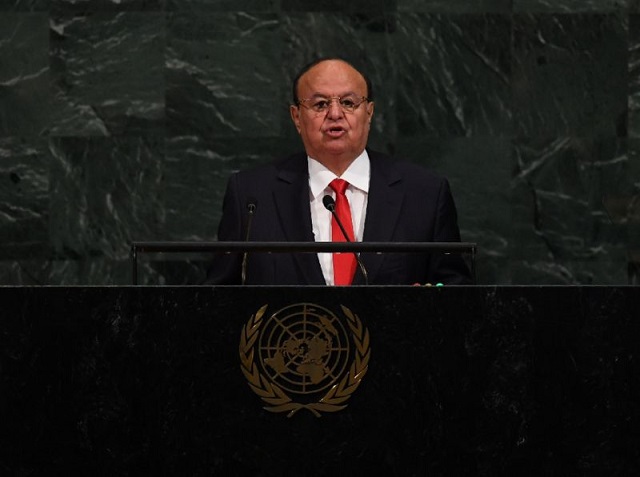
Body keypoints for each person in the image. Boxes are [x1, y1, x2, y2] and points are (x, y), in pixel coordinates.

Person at [206, 57, 472, 285]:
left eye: (348, 102)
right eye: (320, 104)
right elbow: (219, 295)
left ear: (369, 113)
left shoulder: (424, 193)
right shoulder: (252, 196)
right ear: (297, 117)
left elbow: (455, 291)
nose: (335, 114)